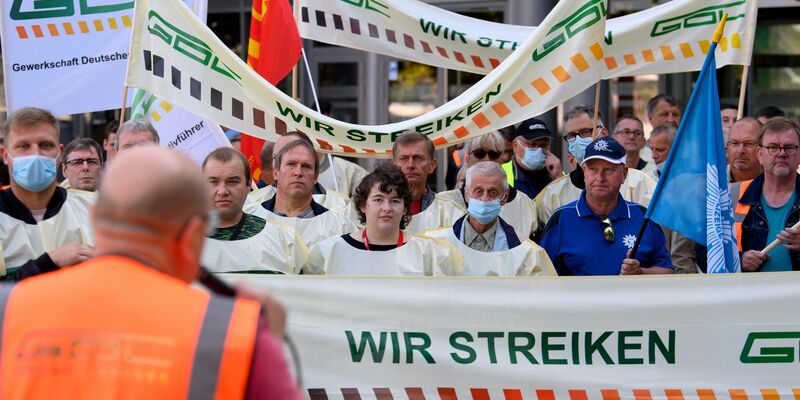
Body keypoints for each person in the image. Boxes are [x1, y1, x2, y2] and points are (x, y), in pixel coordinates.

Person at [0, 145, 302, 398]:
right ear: (193, 235)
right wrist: (267, 343)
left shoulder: (9, 310)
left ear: (95, 219)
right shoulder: (233, 331)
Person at [540, 137, 673, 276]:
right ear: (584, 172)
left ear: (624, 174)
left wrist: (640, 272)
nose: (600, 178)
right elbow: (543, 277)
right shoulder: (561, 220)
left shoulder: (643, 218)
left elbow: (667, 271)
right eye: (593, 169)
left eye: (608, 169)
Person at [306, 163, 462, 276]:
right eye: (378, 200)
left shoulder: (429, 253)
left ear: (405, 208)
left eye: (395, 201)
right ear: (363, 205)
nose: (387, 208)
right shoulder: (329, 251)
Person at [0, 107, 95, 281]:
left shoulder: (95, 208)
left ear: (60, 153)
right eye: (23, 146)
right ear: (5, 155)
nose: (35, 154)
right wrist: (48, 263)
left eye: (45, 145)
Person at [534, 105, 657, 229]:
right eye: (571, 135)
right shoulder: (553, 194)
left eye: (585, 132)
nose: (578, 140)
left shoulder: (639, 183)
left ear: (603, 133)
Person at [424, 162, 555, 276]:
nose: (484, 199)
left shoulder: (528, 253)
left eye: (492, 192)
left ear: (504, 197)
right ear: (466, 195)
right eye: (478, 191)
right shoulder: (436, 244)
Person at [201, 147, 306, 274]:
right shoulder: (181, 242)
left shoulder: (283, 239)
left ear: (249, 184)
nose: (222, 191)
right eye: (213, 182)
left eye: (232, 181)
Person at [249, 139, 354, 249]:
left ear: (316, 176)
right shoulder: (249, 217)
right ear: (275, 173)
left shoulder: (340, 226)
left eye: (306, 166)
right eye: (291, 164)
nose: (298, 172)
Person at [437, 132, 539, 237]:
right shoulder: (443, 204)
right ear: (467, 158)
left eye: (493, 154)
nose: (487, 160)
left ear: (502, 158)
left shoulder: (524, 204)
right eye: (479, 154)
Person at [733, 117, 800, 272]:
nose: (781, 154)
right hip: (749, 288)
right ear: (760, 154)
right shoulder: (732, 195)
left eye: (789, 147)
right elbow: (706, 252)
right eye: (773, 147)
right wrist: (739, 259)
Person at [245, 131, 350, 214]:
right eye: (276, 158)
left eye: (304, 164)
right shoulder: (250, 204)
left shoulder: (340, 206)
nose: (297, 172)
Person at [390, 131, 463, 233]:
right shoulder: (378, 209)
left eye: (418, 158)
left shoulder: (448, 211)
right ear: (394, 165)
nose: (410, 165)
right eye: (404, 158)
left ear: (432, 165)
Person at [500, 117, 562, 199]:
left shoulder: (558, 173)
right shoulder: (500, 173)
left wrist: (558, 177)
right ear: (515, 145)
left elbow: (569, 202)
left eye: (543, 145)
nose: (538, 150)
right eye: (532, 144)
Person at [612, 114, 658, 180]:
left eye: (637, 133)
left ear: (644, 141)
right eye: (626, 132)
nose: (632, 137)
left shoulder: (655, 174)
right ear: (613, 138)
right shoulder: (605, 170)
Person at [726, 117, 763, 183]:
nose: (740, 151)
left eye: (749, 144)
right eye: (735, 143)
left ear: (762, 148)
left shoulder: (777, 182)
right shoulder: (712, 182)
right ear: (727, 146)